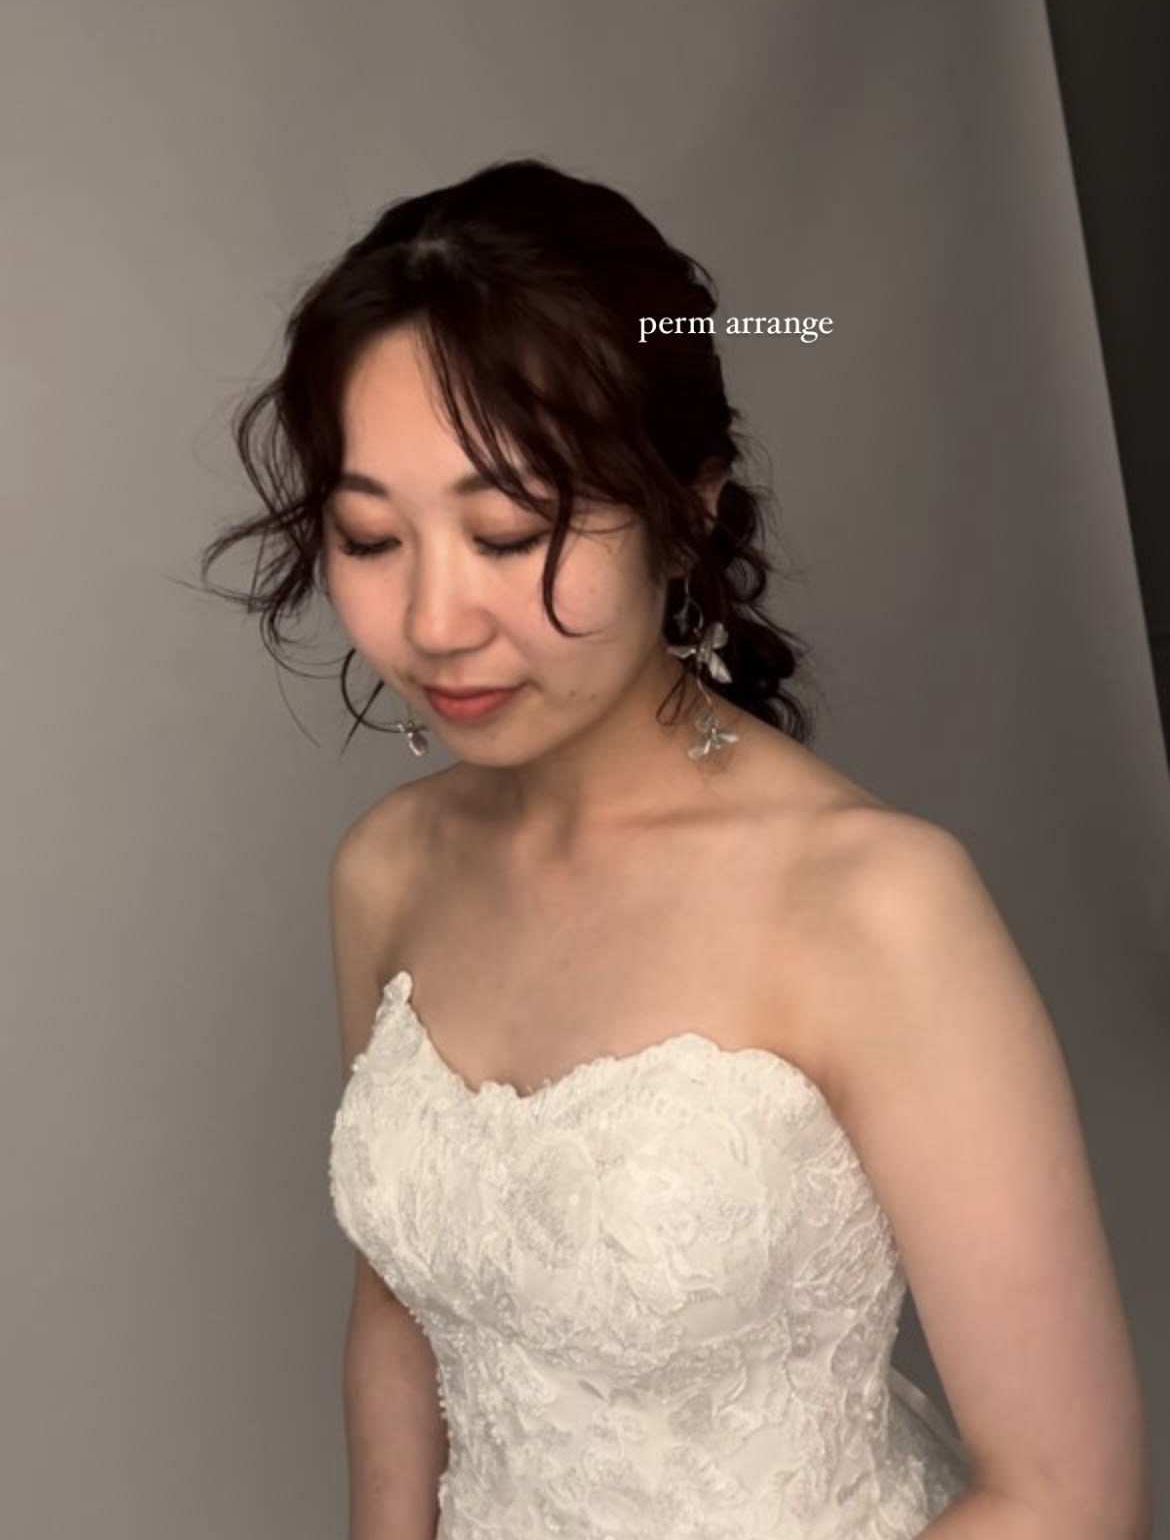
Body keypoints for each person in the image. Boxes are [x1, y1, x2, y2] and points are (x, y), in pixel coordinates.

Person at [199, 158, 1150, 1539]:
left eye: (508, 531)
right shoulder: (385, 872)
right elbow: (402, 1311)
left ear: (687, 506)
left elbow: (1069, 1496)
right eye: (368, 536)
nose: (436, 620)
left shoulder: (877, 903)